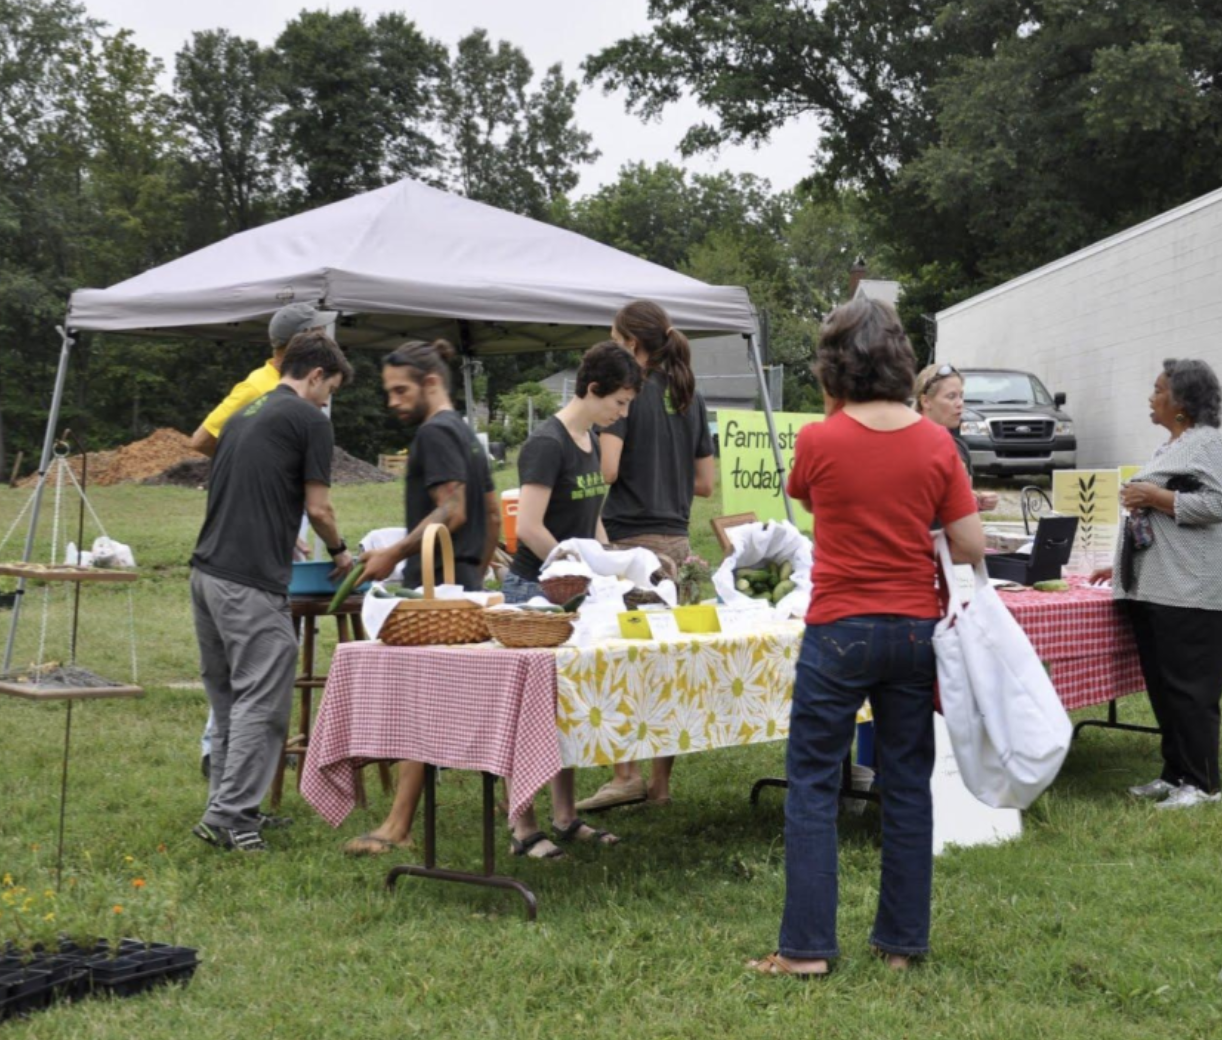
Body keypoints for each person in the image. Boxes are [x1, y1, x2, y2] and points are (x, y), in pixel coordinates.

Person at [749, 298, 984, 977]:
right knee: (908, 784)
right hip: (914, 629)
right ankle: (900, 946)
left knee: (815, 784)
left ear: (833, 366)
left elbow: (810, 500)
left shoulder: (819, 440)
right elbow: (968, 544)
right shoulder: (938, 443)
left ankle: (805, 952)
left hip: (839, 628)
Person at [190, 331, 355, 852]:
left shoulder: (247, 410)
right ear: (314, 377)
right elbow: (320, 508)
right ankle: (231, 817)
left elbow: (250, 487)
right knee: (263, 699)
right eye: (329, 391)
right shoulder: (309, 420)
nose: (327, 402)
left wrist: (279, 535)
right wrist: (342, 552)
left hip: (207, 574)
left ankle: (231, 807)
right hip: (248, 582)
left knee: (229, 699)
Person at [343, 339, 500, 856]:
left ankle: (397, 825)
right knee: (462, 703)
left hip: (435, 590)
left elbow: (453, 510)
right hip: (467, 585)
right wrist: (478, 567)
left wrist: (392, 553)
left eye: (400, 390)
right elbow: (492, 512)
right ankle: (513, 811)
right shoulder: (468, 434)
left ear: (431, 383)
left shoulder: (434, 433)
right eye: (388, 391)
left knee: (421, 708)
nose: (392, 401)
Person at [502, 342, 643, 858]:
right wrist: (581, 568)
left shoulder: (589, 439)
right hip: (533, 595)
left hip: (575, 593)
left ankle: (564, 817)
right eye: (620, 402)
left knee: (567, 710)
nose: (622, 413)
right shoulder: (546, 444)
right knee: (527, 716)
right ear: (592, 389)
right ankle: (522, 825)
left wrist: (614, 561)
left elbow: (590, 521)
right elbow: (532, 528)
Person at [576, 300, 715, 813]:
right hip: (677, 540)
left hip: (629, 542)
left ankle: (624, 775)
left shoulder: (624, 394)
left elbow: (608, 470)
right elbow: (706, 484)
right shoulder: (688, 393)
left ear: (632, 346)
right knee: (666, 666)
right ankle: (659, 782)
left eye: (615, 339)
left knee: (623, 663)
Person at [1089, 359, 1222, 811]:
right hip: (1155, 585)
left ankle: (1203, 783)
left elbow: (1217, 503)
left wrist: (1156, 497)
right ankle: (1175, 773)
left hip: (1191, 589)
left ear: (1182, 402)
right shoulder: (1172, 446)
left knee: (1190, 689)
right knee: (1164, 688)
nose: (1151, 396)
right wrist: (1120, 565)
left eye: (1159, 389)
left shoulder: (1210, 444)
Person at [913, 362, 1000, 513]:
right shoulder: (908, 444)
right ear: (926, 401)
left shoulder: (959, 446)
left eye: (961, 396)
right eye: (951, 397)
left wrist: (978, 501)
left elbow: (961, 500)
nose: (960, 404)